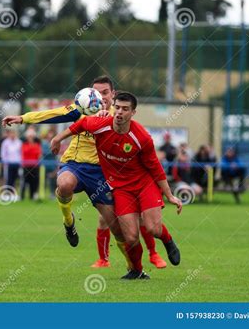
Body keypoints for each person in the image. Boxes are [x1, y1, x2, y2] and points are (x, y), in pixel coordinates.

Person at [3, 76, 170, 270]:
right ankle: (68, 221)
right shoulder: (82, 109)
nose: (101, 97)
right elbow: (53, 114)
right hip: (75, 165)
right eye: (97, 93)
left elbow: (133, 146)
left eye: (105, 93)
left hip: (101, 174)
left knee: (117, 228)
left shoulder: (120, 116)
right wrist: (23, 118)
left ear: (113, 95)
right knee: (64, 184)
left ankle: (134, 268)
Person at [51, 92, 182, 280]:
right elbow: (80, 125)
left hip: (144, 184)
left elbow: (156, 167)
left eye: (125, 109)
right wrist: (57, 139)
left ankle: (168, 241)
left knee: (153, 228)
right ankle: (136, 270)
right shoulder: (100, 125)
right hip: (121, 188)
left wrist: (170, 195)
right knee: (130, 237)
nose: (120, 112)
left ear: (133, 112)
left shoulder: (142, 137)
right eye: (117, 107)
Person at [0, 129, 22, 200]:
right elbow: (3, 154)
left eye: (13, 133)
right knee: (8, 179)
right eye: (11, 134)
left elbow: (21, 153)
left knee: (16, 179)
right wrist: (4, 162)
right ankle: (7, 194)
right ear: (9, 134)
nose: (12, 135)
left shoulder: (19, 142)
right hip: (8, 164)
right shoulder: (5, 142)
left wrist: (21, 162)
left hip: (17, 163)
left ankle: (15, 194)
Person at [21, 128, 42, 200]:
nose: (30, 138)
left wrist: (31, 149)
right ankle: (22, 197)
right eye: (29, 136)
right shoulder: (24, 144)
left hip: (35, 166)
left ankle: (32, 196)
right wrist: (32, 148)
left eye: (31, 136)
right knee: (24, 181)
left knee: (34, 182)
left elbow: (38, 153)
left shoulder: (37, 144)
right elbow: (25, 152)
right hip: (26, 166)